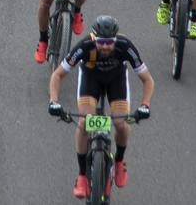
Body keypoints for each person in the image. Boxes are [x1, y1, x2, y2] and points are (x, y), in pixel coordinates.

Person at [46, 15, 152, 199]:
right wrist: (54, 101)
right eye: (101, 42)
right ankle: (81, 175)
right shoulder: (84, 46)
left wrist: (145, 105)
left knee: (120, 123)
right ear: (94, 38)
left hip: (115, 81)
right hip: (91, 81)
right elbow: (57, 75)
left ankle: (119, 161)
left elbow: (147, 80)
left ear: (115, 39)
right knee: (84, 123)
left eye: (109, 42)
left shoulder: (125, 46)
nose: (104, 46)